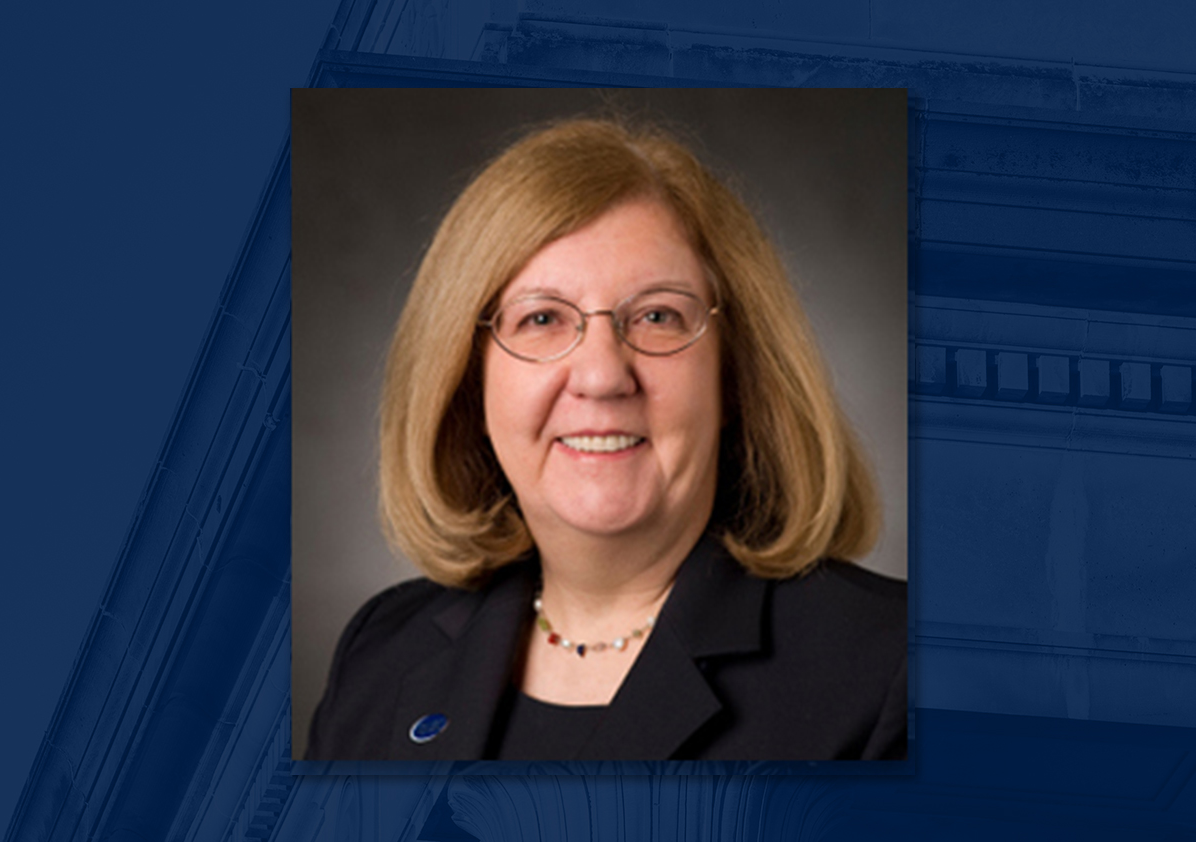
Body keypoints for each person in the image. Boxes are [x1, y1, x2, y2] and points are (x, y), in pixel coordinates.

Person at [306, 118, 906, 761]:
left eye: (656, 317)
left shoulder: (895, 668)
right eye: (541, 318)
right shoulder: (382, 652)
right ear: (465, 380)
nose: (601, 376)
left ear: (735, 377)